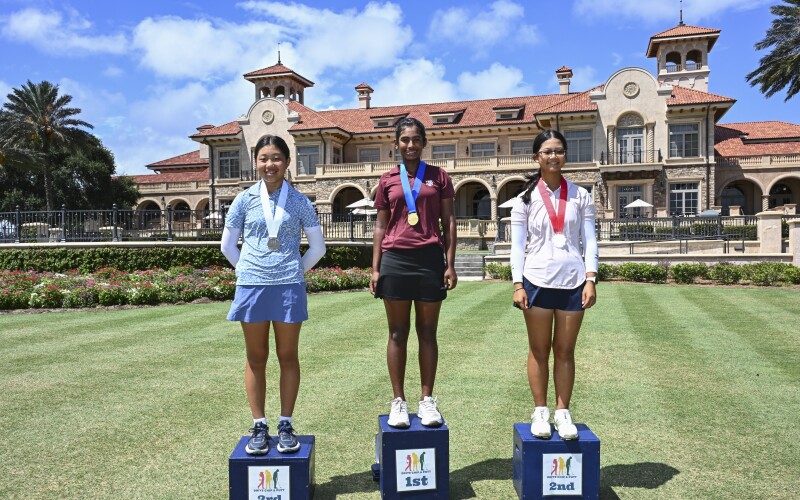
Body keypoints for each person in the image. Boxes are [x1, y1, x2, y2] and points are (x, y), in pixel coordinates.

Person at [221, 134, 326, 455]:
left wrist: (293, 271)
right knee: (256, 358)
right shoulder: (243, 200)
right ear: (256, 162)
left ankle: (285, 424)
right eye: (264, 158)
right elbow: (227, 246)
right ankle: (259, 425)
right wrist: (247, 270)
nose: (270, 164)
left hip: (288, 289)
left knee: (288, 356)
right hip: (252, 287)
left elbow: (318, 248)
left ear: (287, 162)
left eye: (276, 158)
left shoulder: (300, 201)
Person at [510, 129, 598, 440]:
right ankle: (540, 411)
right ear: (537, 157)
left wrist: (591, 278)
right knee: (538, 350)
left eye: (558, 150)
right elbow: (517, 245)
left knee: (565, 350)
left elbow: (590, 240)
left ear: (565, 155)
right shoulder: (524, 198)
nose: (553, 156)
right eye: (547, 151)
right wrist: (518, 284)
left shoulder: (581, 195)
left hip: (573, 281)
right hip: (536, 280)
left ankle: (562, 412)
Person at [370, 117, 457, 428]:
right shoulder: (387, 180)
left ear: (424, 143)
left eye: (416, 139)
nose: (410, 145)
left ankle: (427, 400)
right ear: (396, 144)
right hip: (395, 260)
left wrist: (449, 262)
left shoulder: (438, 176)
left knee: (428, 332)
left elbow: (448, 221)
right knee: (397, 333)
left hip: (429, 259)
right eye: (405, 140)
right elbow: (380, 225)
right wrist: (375, 268)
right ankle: (398, 401)